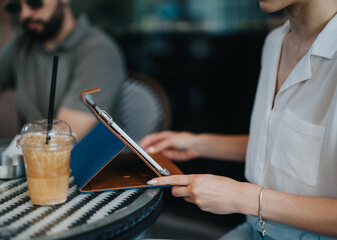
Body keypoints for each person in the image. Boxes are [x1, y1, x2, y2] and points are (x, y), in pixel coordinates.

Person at [140, 0, 337, 238]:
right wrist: (197, 144)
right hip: (254, 229)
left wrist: (242, 198)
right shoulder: (275, 42)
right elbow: (284, 146)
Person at [0, 0, 125, 140]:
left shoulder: (98, 50)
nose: (24, 14)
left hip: (88, 163)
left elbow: (62, 137)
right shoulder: (20, 46)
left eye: (34, 3)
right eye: (16, 7)